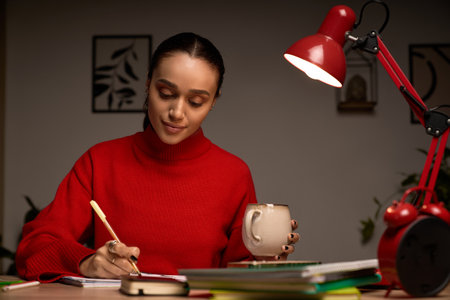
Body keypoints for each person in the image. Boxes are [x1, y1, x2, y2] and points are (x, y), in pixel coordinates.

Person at [15, 32, 300, 282]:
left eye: (196, 101)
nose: (177, 112)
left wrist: (266, 263)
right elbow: (33, 249)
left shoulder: (234, 174)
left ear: (213, 102)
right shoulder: (99, 162)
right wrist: (86, 262)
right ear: (148, 84)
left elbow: (239, 274)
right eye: (165, 93)